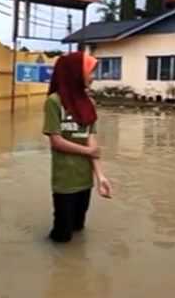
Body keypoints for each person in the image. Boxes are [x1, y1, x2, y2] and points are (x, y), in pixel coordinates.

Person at [42, 51, 112, 243]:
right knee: (62, 236)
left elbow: (91, 140)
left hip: (84, 181)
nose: (93, 77)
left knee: (78, 228)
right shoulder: (54, 102)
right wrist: (87, 151)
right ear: (76, 72)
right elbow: (56, 141)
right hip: (64, 181)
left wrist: (100, 176)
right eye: (90, 72)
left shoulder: (89, 102)